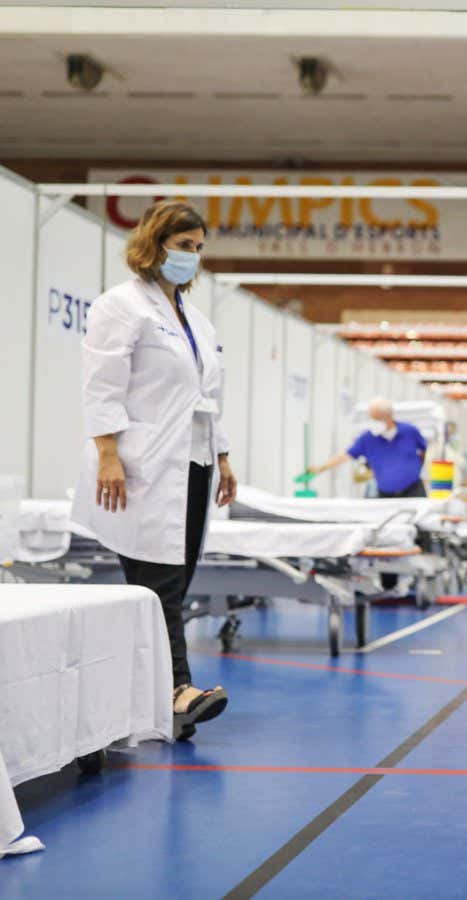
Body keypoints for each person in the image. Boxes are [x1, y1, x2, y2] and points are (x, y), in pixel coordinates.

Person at [72, 199, 237, 740]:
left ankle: (147, 693)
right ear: (154, 244)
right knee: (159, 585)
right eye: (183, 245)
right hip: (140, 467)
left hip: (191, 464)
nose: (191, 256)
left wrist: (225, 456)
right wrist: (108, 455)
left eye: (198, 248)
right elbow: (101, 387)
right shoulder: (122, 306)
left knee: (174, 583)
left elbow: (208, 396)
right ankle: (177, 691)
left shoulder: (195, 320)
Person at [307, 398, 428, 497]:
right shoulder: (368, 438)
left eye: (376, 418)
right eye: (372, 418)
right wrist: (320, 468)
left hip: (413, 490)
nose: (373, 422)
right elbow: (345, 456)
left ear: (388, 416)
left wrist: (414, 469)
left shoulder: (409, 432)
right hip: (385, 495)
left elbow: (423, 451)